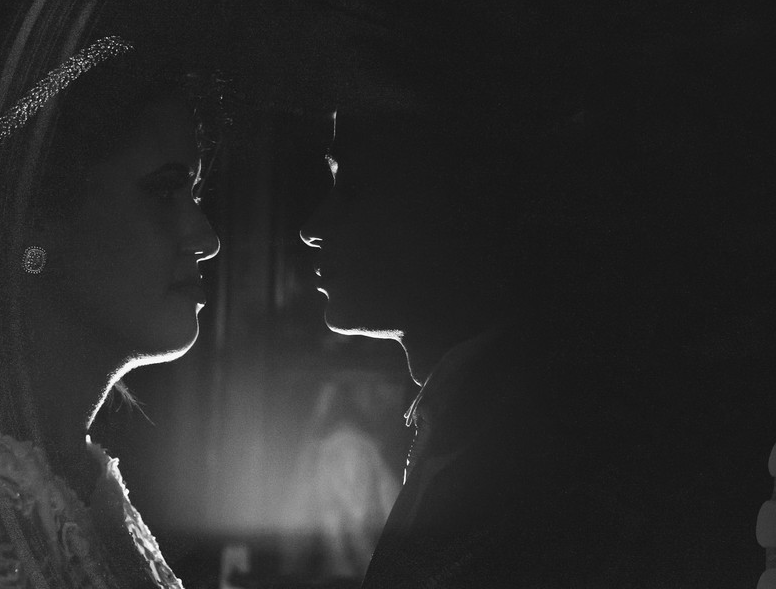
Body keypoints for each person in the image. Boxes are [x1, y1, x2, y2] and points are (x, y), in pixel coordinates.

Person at [297, 103, 723, 588]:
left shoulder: (552, 459)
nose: (312, 228)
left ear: (462, 201)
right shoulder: (491, 419)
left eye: (353, 188)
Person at [0, 36, 221, 588]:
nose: (206, 239)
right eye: (164, 191)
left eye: (196, 195)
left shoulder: (77, 476)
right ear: (32, 213)